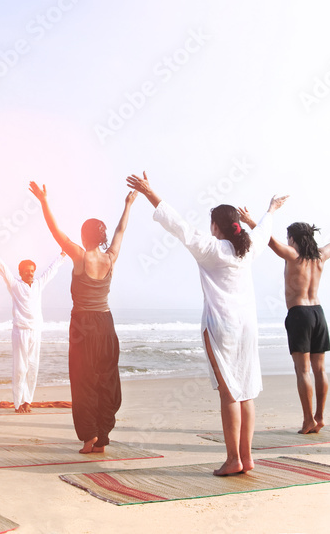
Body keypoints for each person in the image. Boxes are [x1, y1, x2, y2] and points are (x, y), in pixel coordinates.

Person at [126, 171, 287, 476]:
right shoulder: (248, 247)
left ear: (216, 226)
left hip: (220, 326)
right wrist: (271, 209)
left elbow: (177, 225)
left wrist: (149, 192)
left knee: (229, 393)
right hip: (248, 326)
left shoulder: (210, 248)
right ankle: (247, 457)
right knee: (246, 391)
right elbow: (263, 232)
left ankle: (232, 459)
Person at [28, 180, 137, 454]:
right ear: (101, 237)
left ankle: (89, 438)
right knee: (105, 378)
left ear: (84, 236)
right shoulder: (110, 257)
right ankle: (101, 436)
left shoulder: (79, 256)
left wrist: (43, 201)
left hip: (83, 326)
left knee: (83, 380)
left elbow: (55, 231)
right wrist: (128, 205)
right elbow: (121, 230)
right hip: (106, 325)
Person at [259, 218, 330, 434]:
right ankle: (319, 417)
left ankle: (308, 420)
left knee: (303, 370)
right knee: (320, 369)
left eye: (289, 237)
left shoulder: (292, 255)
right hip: (318, 313)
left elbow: (269, 241)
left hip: (299, 314)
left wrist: (253, 222)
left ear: (293, 238)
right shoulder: (320, 256)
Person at [0, 235, 66, 413]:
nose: (31, 273)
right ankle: (18, 404)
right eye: (27, 271)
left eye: (32, 270)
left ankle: (28, 402)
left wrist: (63, 254)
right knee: (20, 369)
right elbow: (2, 269)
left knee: (32, 368)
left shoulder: (39, 284)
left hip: (35, 332)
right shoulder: (15, 285)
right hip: (20, 332)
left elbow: (52, 269)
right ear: (21, 273)